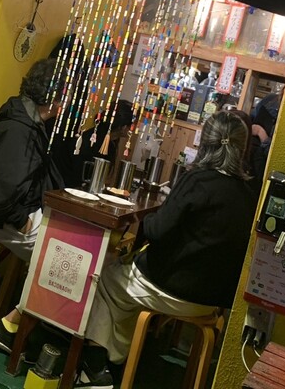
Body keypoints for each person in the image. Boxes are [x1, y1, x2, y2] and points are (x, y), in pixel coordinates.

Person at [75, 110, 257, 388]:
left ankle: (96, 367)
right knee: (126, 284)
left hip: (173, 290)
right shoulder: (248, 194)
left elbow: (157, 231)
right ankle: (114, 359)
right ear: (242, 148)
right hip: (213, 301)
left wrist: (146, 219)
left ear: (204, 143)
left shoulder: (197, 180)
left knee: (107, 277)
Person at [0, 58, 65, 262]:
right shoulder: (21, 130)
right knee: (63, 256)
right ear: (55, 100)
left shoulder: (19, 111)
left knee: (67, 239)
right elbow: (0, 188)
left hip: (2, 210)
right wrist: (21, 221)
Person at [51, 99, 135, 189]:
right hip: (64, 187)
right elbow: (77, 175)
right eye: (133, 126)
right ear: (123, 127)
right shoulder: (92, 140)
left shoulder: (107, 141)